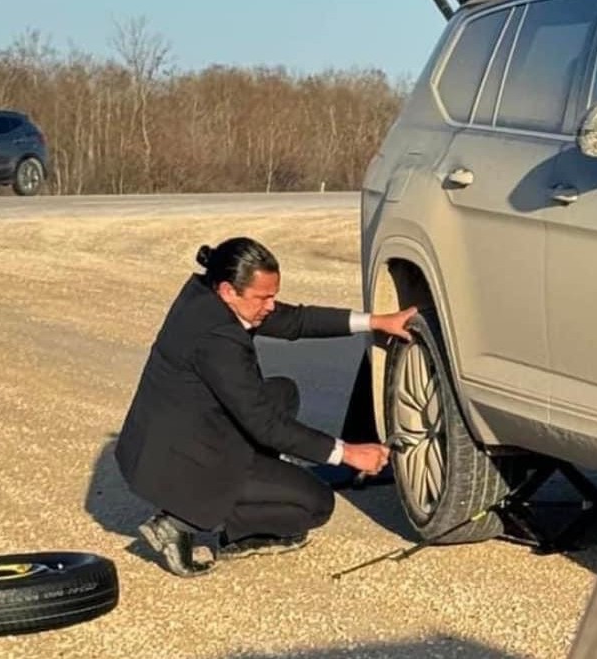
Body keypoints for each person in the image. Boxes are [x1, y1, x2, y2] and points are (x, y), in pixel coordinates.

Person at [115, 236, 415, 577]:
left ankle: (250, 480)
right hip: (185, 461)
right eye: (264, 297)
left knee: (282, 392)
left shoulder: (206, 295)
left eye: (273, 295)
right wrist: (348, 453)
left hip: (172, 435)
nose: (271, 305)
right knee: (315, 504)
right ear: (229, 290)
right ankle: (179, 521)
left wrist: (377, 321)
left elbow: (295, 321)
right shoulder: (218, 339)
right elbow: (265, 427)